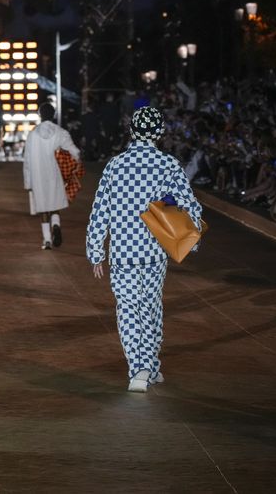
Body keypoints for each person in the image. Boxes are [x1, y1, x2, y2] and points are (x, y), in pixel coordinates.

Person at [86, 106, 203, 393]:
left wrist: (96, 251)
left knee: (127, 309)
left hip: (123, 250)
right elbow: (189, 205)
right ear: (160, 133)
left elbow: (100, 210)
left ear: (132, 131)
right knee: (150, 307)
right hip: (154, 250)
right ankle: (149, 365)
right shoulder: (168, 164)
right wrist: (193, 239)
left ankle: (139, 369)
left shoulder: (115, 165)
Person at [24, 102, 81, 249]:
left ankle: (47, 240)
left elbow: (27, 161)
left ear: (40, 115)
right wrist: (76, 163)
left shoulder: (32, 134)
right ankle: (56, 225)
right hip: (54, 173)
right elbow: (74, 151)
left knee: (43, 208)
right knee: (55, 204)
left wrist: (28, 183)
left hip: (37, 175)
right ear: (54, 115)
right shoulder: (59, 132)